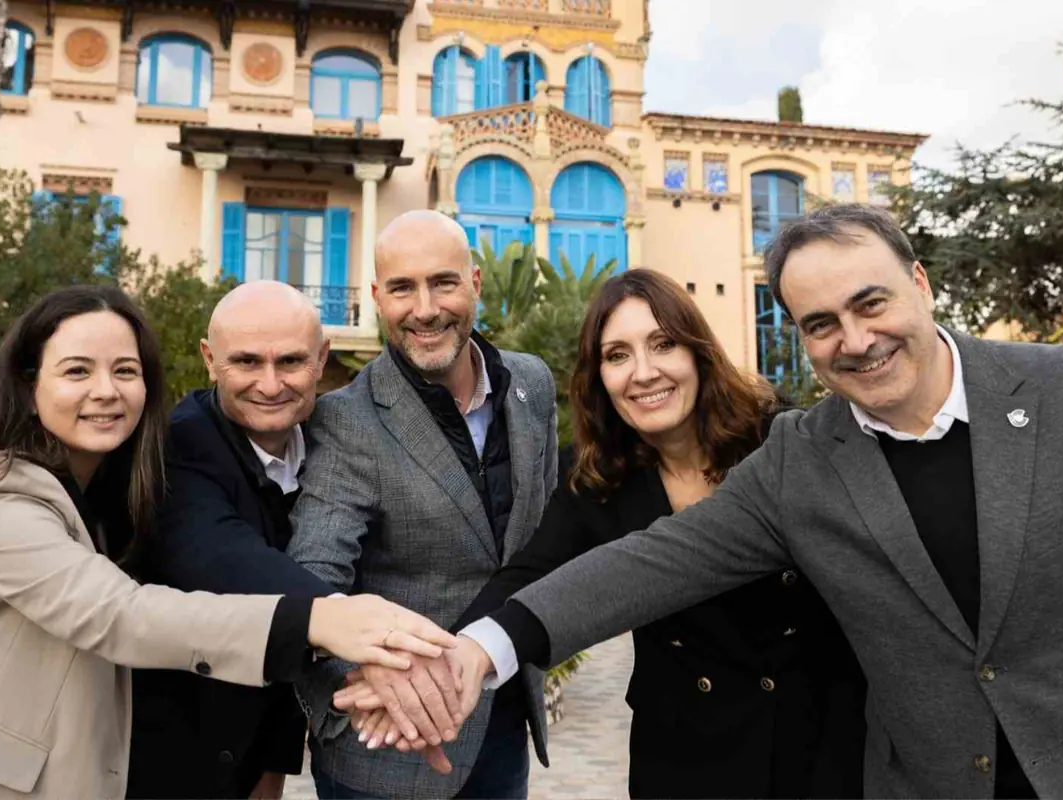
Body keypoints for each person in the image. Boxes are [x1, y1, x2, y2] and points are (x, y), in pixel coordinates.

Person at [434, 203, 1063, 797]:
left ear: (920, 283)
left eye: (871, 304)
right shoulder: (799, 456)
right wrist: (475, 649)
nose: (857, 340)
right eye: (821, 323)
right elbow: (647, 564)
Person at [0, 285, 457, 799]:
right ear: (27, 382)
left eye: (125, 370)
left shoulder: (113, 481)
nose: (106, 391)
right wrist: (324, 619)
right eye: (77, 371)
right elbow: (118, 614)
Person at [344, 268, 867, 797]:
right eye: (618, 355)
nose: (644, 373)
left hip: (822, 745)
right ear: (598, 377)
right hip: (689, 755)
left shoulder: (778, 443)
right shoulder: (598, 479)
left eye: (663, 344)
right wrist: (441, 669)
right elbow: (528, 577)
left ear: (698, 352)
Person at [287, 210, 559, 799]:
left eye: (443, 282)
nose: (426, 308)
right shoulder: (346, 420)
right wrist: (365, 683)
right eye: (403, 288)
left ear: (475, 284)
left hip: (503, 720)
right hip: (387, 744)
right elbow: (312, 578)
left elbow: (546, 538)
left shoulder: (532, 385)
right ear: (377, 297)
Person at [126, 282, 337, 799]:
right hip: (166, 760)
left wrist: (273, 767)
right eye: (246, 362)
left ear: (322, 358)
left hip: (258, 754)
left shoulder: (332, 442)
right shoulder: (177, 447)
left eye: (291, 361)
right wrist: (359, 624)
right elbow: (224, 560)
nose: (270, 384)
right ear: (209, 359)